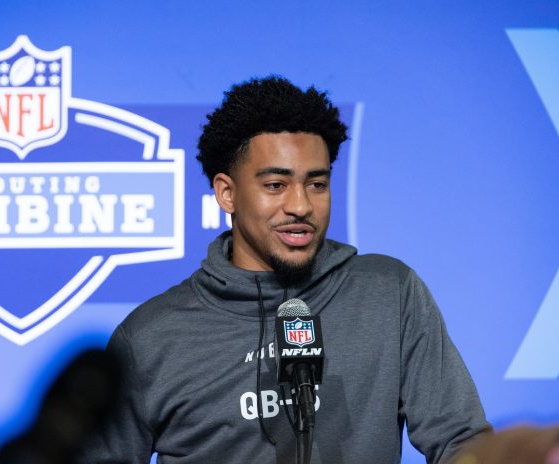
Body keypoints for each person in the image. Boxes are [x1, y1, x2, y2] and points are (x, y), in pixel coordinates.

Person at [81, 76, 491, 463]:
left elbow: (460, 441)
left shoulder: (388, 294)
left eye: (317, 184)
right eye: (276, 185)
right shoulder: (150, 338)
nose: (301, 206)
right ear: (227, 193)